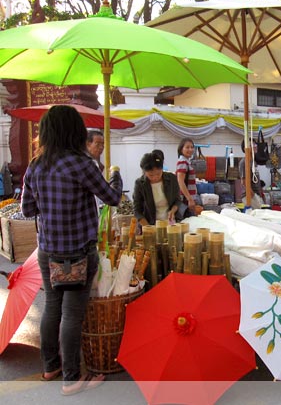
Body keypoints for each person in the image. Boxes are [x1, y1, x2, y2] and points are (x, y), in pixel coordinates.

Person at [20, 105, 122, 395]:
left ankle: (50, 366)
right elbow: (112, 197)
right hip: (78, 250)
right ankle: (72, 378)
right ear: (76, 132)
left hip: (47, 250)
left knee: (53, 307)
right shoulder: (81, 164)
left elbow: (28, 209)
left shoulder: (35, 165)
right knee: (72, 314)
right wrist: (115, 176)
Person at [133, 152, 182, 228]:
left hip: (170, 224)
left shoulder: (171, 178)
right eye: (151, 175)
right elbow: (137, 211)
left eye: (158, 173)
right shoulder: (140, 184)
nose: (155, 177)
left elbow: (178, 200)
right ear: (144, 172)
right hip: (149, 224)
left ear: (162, 169)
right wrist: (148, 228)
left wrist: (173, 210)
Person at [176, 138, 197, 216]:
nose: (190, 149)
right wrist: (190, 199)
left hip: (188, 199)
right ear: (181, 149)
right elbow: (180, 181)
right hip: (185, 200)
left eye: (192, 147)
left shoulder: (187, 161)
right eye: (187, 147)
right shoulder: (183, 162)